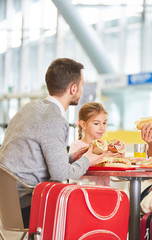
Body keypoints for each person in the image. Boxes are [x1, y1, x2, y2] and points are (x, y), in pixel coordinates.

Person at [0, 58, 103, 227]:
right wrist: (88, 159)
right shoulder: (54, 119)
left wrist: (71, 158)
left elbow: (36, 159)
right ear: (73, 88)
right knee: (90, 209)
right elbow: (62, 175)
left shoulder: (29, 108)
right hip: (29, 205)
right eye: (82, 85)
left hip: (7, 204)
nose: (82, 90)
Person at [69, 102, 125, 185]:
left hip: (105, 192)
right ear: (83, 124)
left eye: (104, 123)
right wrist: (104, 158)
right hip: (85, 192)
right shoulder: (77, 146)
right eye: (96, 123)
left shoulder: (106, 147)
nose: (102, 128)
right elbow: (75, 171)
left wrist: (118, 160)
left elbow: (119, 177)